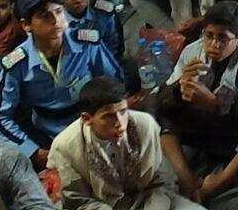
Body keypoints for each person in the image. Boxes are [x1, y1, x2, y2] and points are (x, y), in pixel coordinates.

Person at [158, 1, 238, 200]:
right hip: (197, 128)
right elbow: (164, 101)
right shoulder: (192, 51)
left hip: (231, 132)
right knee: (152, 103)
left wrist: (215, 102)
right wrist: (179, 88)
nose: (214, 45)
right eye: (209, 35)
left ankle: (218, 182)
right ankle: (185, 175)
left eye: (222, 38)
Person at [0, 0, 124, 165]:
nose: (55, 19)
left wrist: (108, 122)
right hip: (47, 133)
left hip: (92, 122)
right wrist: (33, 152)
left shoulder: (87, 43)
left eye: (59, 11)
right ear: (26, 25)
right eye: (45, 15)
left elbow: (114, 83)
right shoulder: (17, 63)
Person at [48, 77, 197, 210]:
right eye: (109, 116)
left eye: (123, 111)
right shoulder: (65, 146)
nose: (120, 123)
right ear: (87, 119)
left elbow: (161, 180)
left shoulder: (145, 125)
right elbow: (78, 201)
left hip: (148, 200)